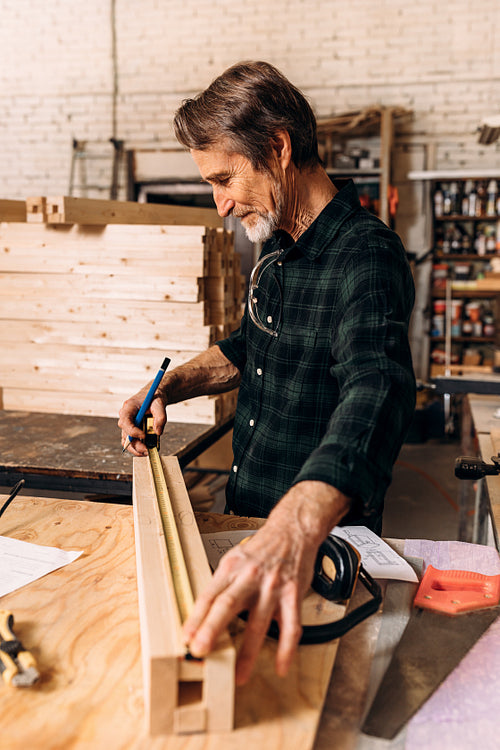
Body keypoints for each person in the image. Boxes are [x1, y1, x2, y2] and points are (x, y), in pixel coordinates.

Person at [118, 60, 416, 686]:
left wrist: (296, 524)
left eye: (224, 178)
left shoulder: (366, 254)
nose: (221, 206)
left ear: (278, 147)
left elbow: (378, 387)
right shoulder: (277, 242)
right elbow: (249, 344)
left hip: (315, 548)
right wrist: (167, 385)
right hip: (247, 525)